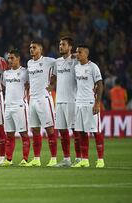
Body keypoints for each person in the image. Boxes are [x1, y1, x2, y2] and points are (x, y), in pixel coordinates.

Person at [25, 40, 58, 167]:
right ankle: (36, 158)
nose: (31, 50)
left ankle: (54, 158)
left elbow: (59, 68)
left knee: (49, 129)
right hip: (32, 99)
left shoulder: (50, 61)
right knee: (35, 130)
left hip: (44, 99)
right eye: (30, 47)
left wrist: (52, 85)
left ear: (40, 49)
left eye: (34, 47)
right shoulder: (29, 63)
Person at [72, 44, 105, 168]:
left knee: (95, 131)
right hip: (79, 103)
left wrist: (97, 103)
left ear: (86, 53)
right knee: (81, 132)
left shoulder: (93, 67)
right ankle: (85, 159)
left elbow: (100, 84)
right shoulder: (76, 68)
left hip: (90, 103)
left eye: (79, 52)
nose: (77, 54)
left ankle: (100, 159)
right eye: (76, 52)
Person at [52, 37, 81, 167]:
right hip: (59, 101)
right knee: (63, 132)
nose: (60, 46)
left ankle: (80, 158)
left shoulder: (75, 61)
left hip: (71, 101)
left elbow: (84, 57)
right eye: (59, 44)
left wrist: (76, 55)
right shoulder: (57, 62)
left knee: (75, 131)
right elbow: (54, 77)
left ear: (70, 47)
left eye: (63, 44)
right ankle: (66, 159)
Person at [0, 49, 30, 166]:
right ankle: (8, 159)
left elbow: (30, 84)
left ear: (18, 58)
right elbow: (4, 86)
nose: (10, 60)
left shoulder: (25, 72)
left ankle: (25, 159)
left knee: (23, 133)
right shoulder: (6, 73)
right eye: (9, 58)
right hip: (8, 107)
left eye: (12, 58)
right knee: (9, 134)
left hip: (20, 106)